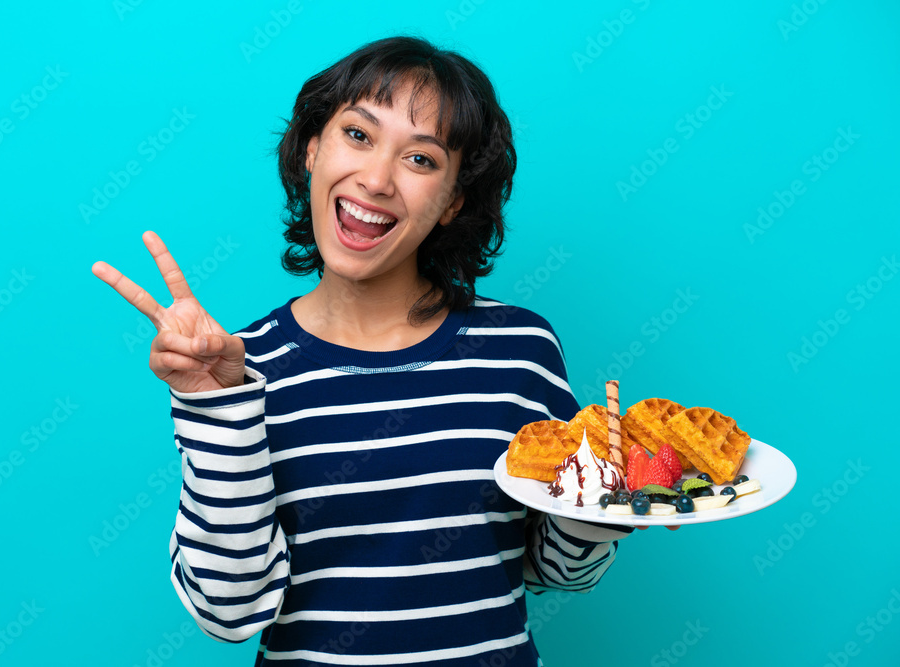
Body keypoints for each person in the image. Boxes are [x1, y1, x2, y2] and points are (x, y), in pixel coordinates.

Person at [92, 35, 640, 667]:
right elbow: (228, 611)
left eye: (422, 160)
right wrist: (215, 407)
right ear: (310, 148)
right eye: (358, 135)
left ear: (453, 200)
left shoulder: (520, 350)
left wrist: (594, 520)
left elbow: (558, 572)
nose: (376, 180)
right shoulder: (239, 367)